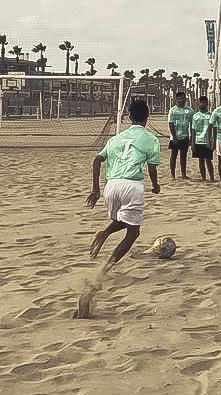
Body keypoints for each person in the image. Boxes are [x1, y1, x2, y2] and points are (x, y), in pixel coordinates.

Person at [78, 99, 161, 319]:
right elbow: (152, 167)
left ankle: (104, 233)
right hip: (132, 185)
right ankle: (104, 269)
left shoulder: (116, 137)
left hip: (111, 186)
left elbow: (97, 160)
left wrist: (95, 189)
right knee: (134, 231)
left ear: (129, 116)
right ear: (147, 117)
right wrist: (155, 185)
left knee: (125, 220)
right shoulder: (151, 139)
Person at [167, 90, 194, 180]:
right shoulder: (172, 110)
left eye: (182, 98)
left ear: (185, 99)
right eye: (179, 99)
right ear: (176, 99)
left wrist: (191, 138)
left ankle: (183, 174)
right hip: (174, 137)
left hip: (184, 136)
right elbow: (171, 124)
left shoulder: (189, 110)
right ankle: (172, 174)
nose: (181, 100)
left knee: (183, 156)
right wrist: (174, 137)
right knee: (173, 156)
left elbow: (192, 125)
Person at [191, 95, 215, 182]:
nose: (202, 104)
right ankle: (203, 178)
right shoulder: (195, 116)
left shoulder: (211, 115)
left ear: (207, 104)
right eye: (200, 102)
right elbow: (193, 130)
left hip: (208, 141)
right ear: (198, 104)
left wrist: (213, 142)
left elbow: (214, 129)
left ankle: (212, 178)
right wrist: (192, 143)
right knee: (200, 161)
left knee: (208, 161)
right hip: (198, 141)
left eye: (204, 102)